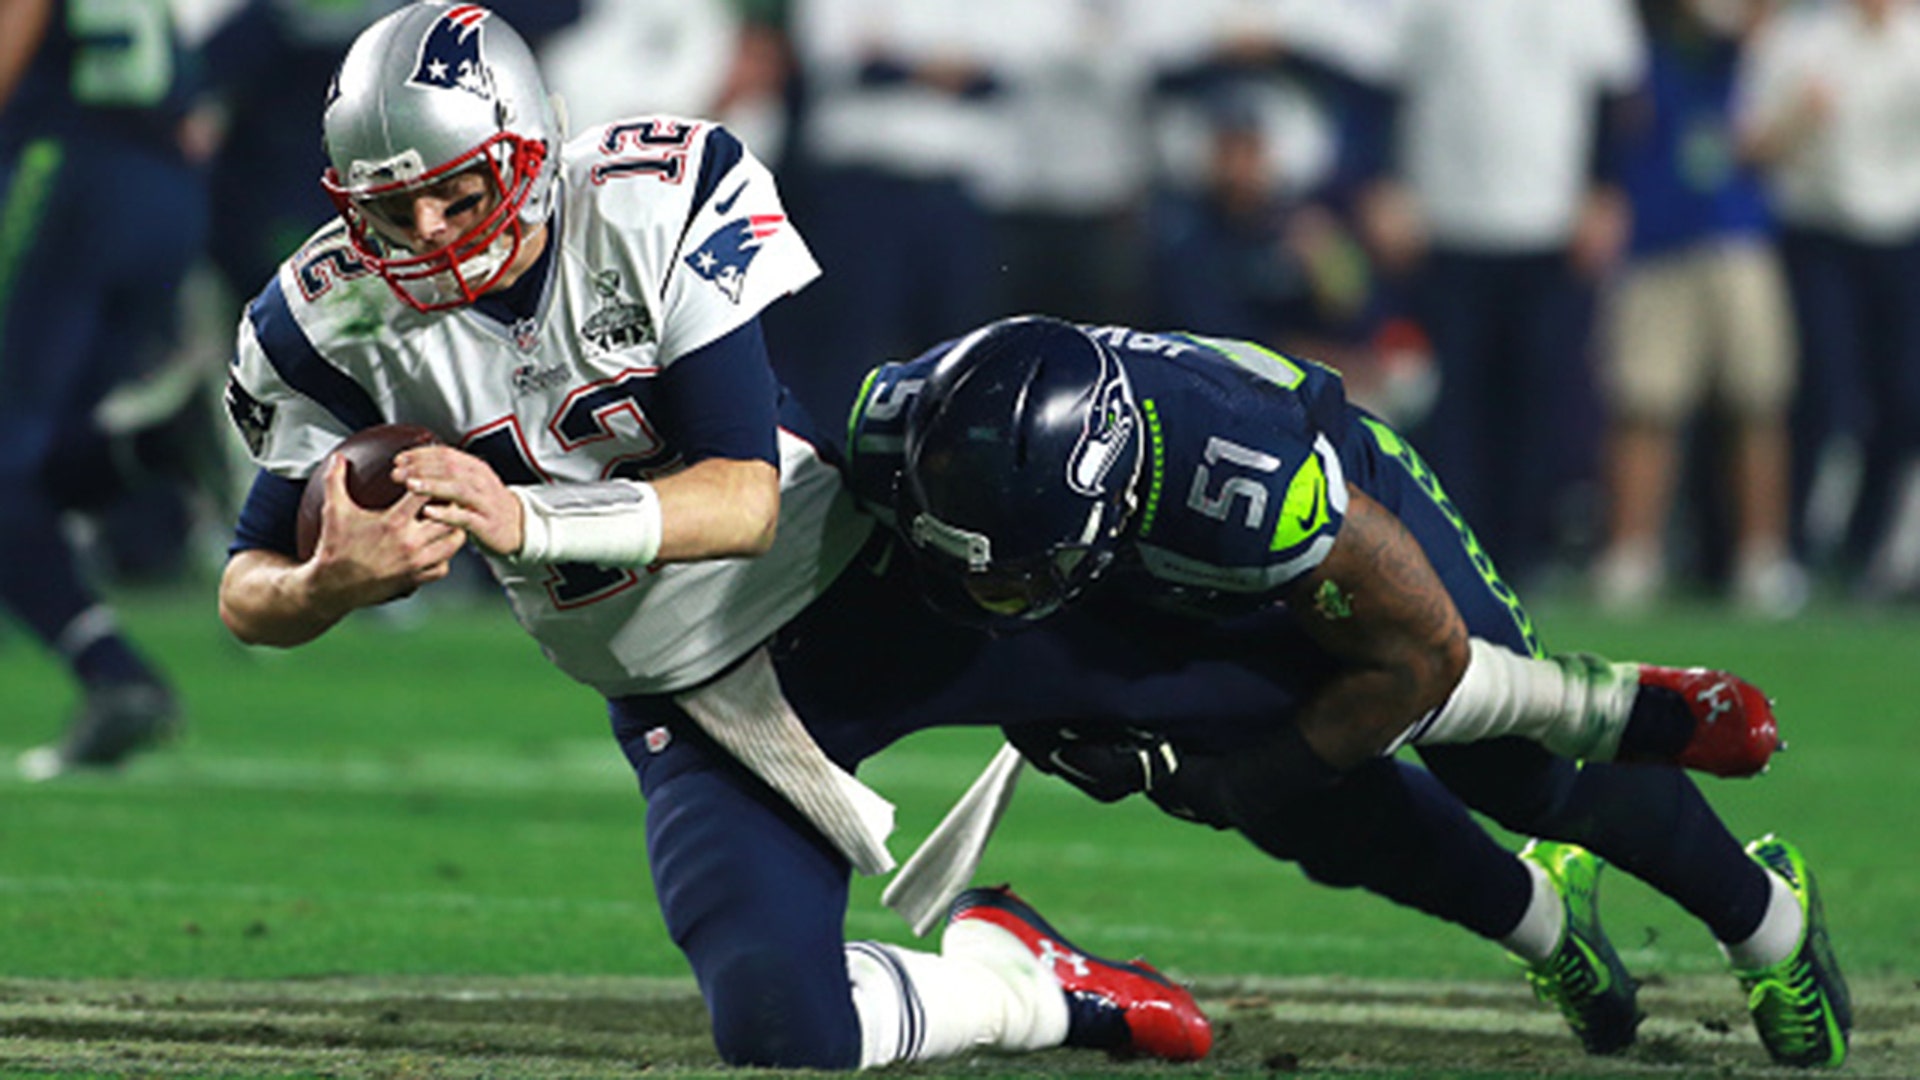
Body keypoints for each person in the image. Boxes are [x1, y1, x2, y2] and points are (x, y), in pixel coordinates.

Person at [213, 3, 1211, 1070]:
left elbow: (744, 501)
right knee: (784, 1033)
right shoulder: (327, 318)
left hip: (870, 586)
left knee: (1254, 702)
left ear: (527, 151)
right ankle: (1020, 987)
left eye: (455, 190)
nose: (425, 235)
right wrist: (325, 582)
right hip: (691, 697)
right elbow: (245, 586)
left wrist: (524, 517)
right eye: (391, 206)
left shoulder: (642, 200)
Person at [842, 314, 1852, 1069]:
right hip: (1153, 566)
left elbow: (1424, 664)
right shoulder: (908, 431)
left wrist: (1239, 779)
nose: (994, 598)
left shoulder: (1241, 483)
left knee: (1514, 773)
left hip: (1347, 520)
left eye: (1017, 574)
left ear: (1105, 497)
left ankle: (1768, 920)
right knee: (1321, 817)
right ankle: (1543, 920)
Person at [3, 0, 210, 778]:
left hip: (62, 172)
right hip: (160, 187)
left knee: (5, 454)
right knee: (44, 447)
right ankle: (150, 448)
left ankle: (114, 675)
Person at [1591, 0, 1804, 617]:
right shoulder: (1632, 40)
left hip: (1737, 234)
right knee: (1644, 405)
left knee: (1757, 401)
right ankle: (1632, 554)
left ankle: (1761, 556)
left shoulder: (1752, 46)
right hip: (1656, 240)